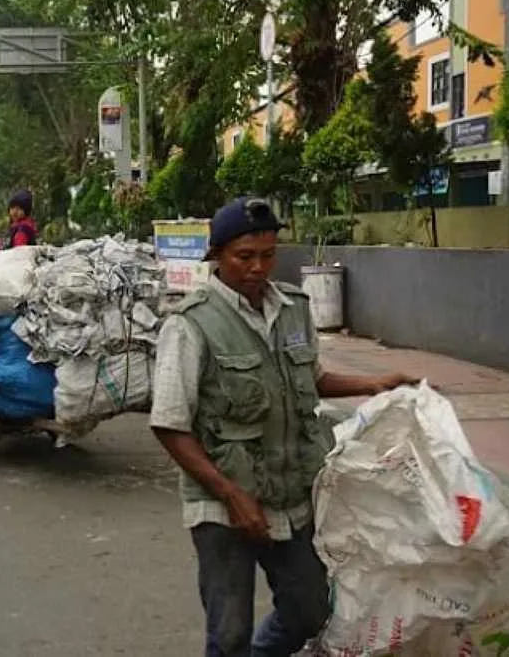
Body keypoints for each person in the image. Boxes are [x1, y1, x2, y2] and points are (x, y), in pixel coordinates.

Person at [150, 197, 421, 657]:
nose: (258, 267)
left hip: (292, 495)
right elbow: (170, 424)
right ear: (217, 255)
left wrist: (373, 383)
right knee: (228, 633)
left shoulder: (293, 307)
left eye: (268, 255)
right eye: (244, 256)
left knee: (310, 611)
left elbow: (309, 378)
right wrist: (232, 495)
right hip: (223, 506)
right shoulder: (190, 324)